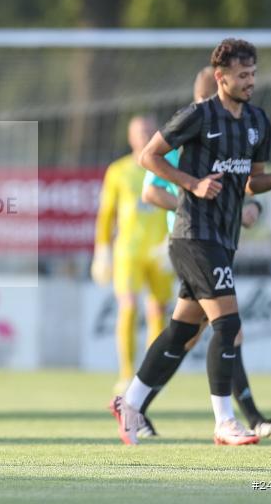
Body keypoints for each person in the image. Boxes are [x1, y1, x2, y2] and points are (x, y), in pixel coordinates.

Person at [112, 39, 271, 446]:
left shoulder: (257, 122)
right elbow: (149, 156)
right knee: (228, 323)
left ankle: (130, 403)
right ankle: (224, 422)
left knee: (182, 331)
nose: (250, 82)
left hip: (223, 238)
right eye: (242, 76)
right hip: (193, 235)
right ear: (221, 77)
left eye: (253, 74)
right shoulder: (197, 116)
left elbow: (250, 181)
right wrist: (192, 184)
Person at [91, 116, 172, 395]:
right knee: (128, 305)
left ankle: (150, 375)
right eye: (139, 132)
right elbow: (106, 214)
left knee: (158, 310)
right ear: (130, 138)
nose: (144, 136)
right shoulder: (119, 171)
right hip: (128, 250)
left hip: (161, 249)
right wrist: (102, 250)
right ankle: (126, 373)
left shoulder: (167, 165)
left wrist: (173, 240)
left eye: (149, 131)